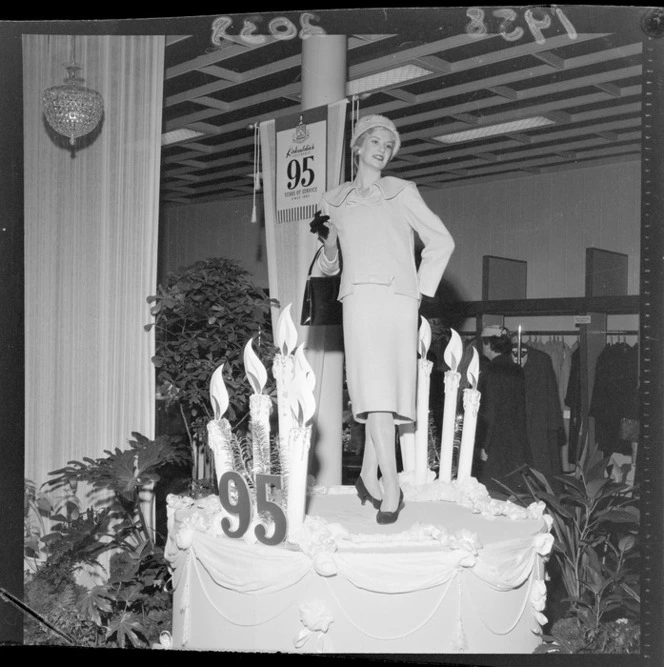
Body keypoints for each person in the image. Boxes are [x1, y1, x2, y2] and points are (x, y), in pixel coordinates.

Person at [311, 114, 455, 524]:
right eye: (374, 141)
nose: (382, 149)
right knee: (374, 393)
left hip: (398, 302)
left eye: (388, 145)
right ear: (357, 146)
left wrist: (419, 293)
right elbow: (327, 266)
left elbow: (442, 241)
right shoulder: (332, 200)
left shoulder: (401, 192)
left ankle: (369, 477)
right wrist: (331, 244)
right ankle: (390, 483)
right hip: (358, 300)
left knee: (387, 399)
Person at [476, 325, 531, 495]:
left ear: (490, 344)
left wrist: (485, 445)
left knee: (493, 489)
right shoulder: (516, 369)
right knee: (513, 489)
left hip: (496, 440)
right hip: (516, 437)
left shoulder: (491, 371)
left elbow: (490, 410)